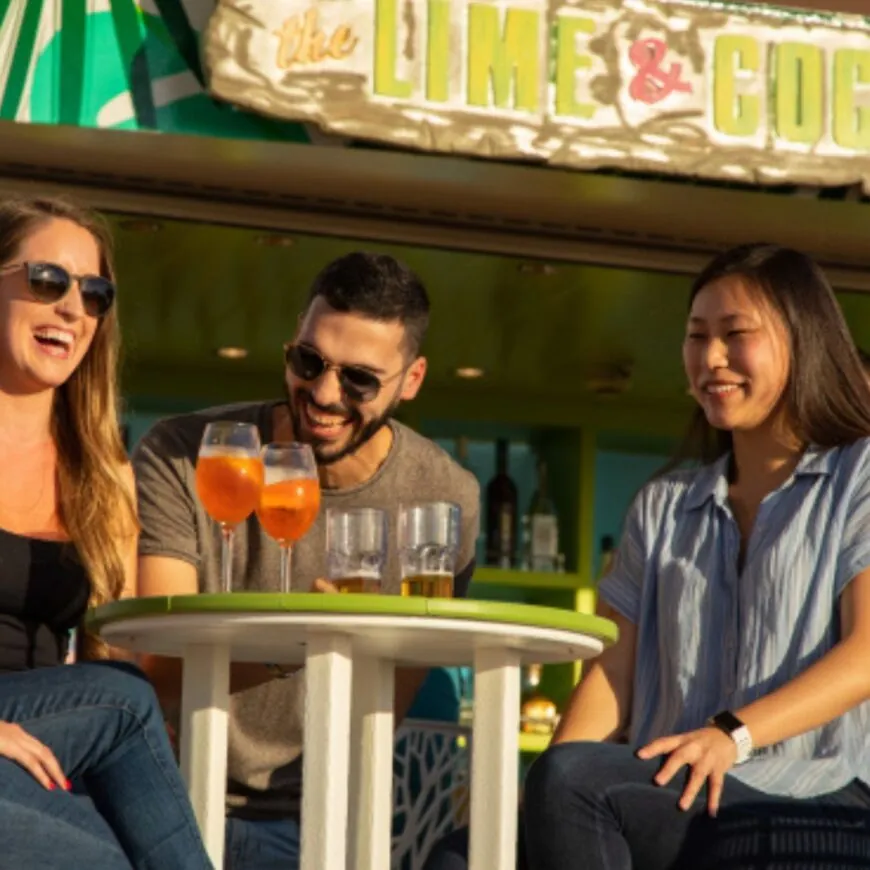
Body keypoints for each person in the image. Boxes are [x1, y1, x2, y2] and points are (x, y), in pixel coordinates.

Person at [426, 243, 870, 870]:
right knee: (466, 853)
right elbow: (613, 675)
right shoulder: (661, 507)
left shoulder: (860, 477)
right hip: (672, 793)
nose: (711, 358)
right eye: (696, 336)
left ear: (803, 341)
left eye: (735, 334)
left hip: (816, 797)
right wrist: (537, 802)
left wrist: (732, 735)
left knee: (574, 784)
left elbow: (866, 656)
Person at [133, 251, 480, 870]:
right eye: (309, 362)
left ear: (413, 379)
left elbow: (385, 704)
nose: (323, 394)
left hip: (318, 811)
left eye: (360, 380)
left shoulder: (445, 499)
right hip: (165, 792)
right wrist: (300, 640)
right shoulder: (186, 454)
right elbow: (159, 666)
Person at [0, 196, 212, 868]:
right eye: (46, 281)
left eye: (94, 294)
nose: (71, 308)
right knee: (124, 703)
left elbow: (110, 656)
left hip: (41, 744)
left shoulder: (102, 472)